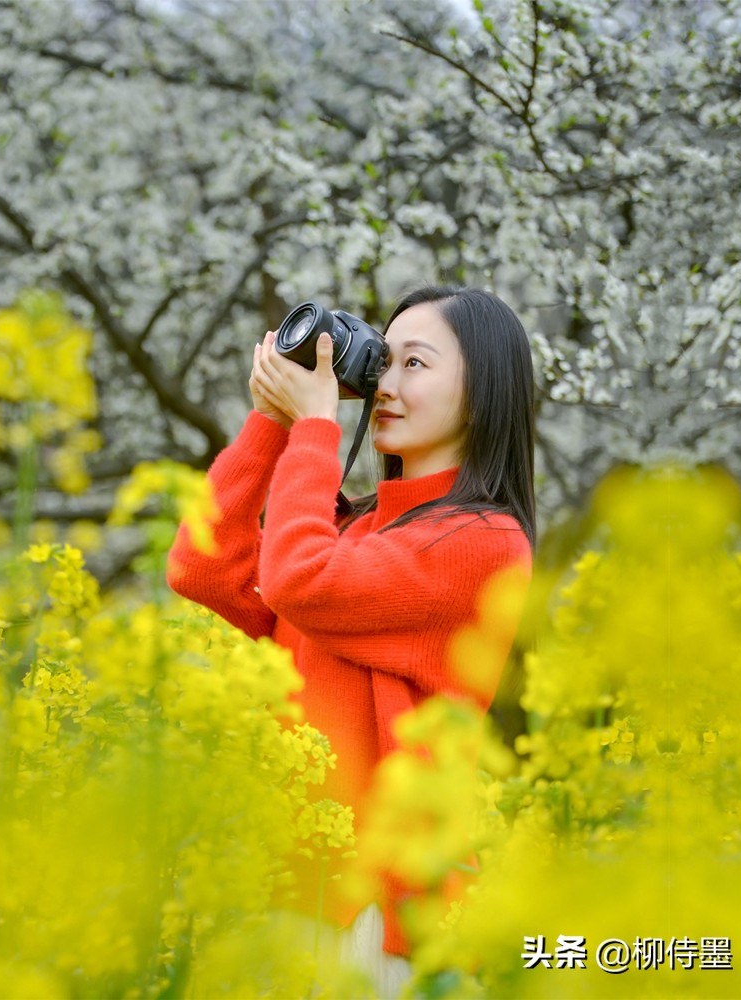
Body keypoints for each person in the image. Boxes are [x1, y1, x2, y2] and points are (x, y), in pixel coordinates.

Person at [167, 286, 536, 988]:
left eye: (415, 365)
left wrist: (313, 429)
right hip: (277, 877)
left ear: (482, 391)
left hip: (371, 906)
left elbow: (301, 581)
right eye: (381, 363)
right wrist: (271, 422)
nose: (383, 387)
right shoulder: (354, 530)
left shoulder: (483, 543)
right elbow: (203, 569)